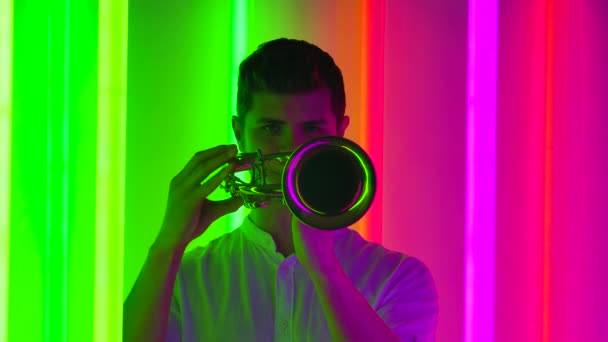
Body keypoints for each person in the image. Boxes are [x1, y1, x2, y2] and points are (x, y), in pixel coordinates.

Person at [123, 38, 438, 342]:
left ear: (340, 133)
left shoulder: (398, 278)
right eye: (271, 128)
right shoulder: (185, 279)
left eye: (311, 128)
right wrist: (167, 246)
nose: (292, 149)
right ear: (239, 133)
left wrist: (324, 267)